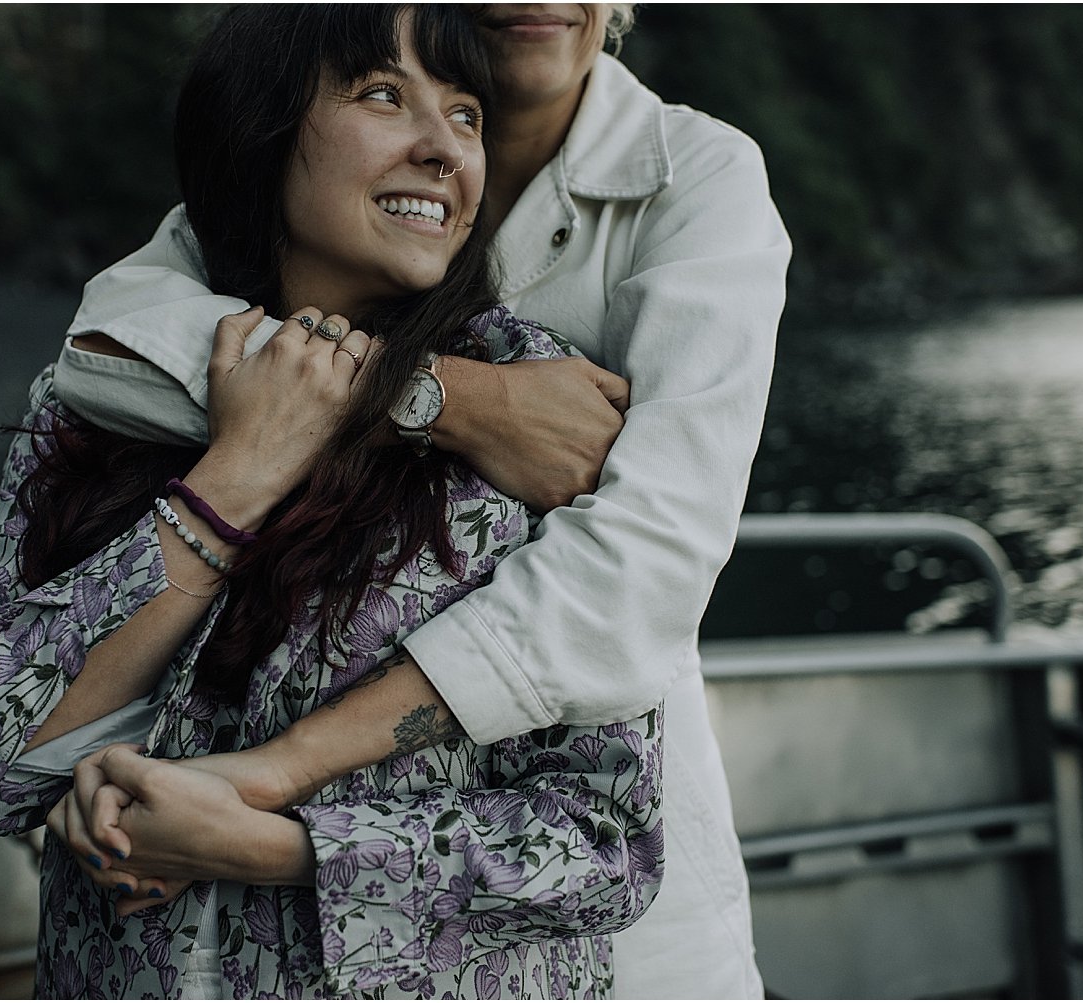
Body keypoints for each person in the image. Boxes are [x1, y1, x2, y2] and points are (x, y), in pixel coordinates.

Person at [0, 5, 663, 998]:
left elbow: (609, 836)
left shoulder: (534, 410)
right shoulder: (107, 389)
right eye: (384, 96)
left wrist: (279, 845)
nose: (444, 150)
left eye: (468, 114)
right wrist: (238, 476)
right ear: (259, 129)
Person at [48, 3, 790, 998]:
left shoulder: (697, 178)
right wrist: (448, 400)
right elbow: (108, 355)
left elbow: (640, 573)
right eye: (393, 98)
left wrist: (274, 779)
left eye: (459, 116)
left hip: (567, 855)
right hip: (211, 892)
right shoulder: (318, 157)